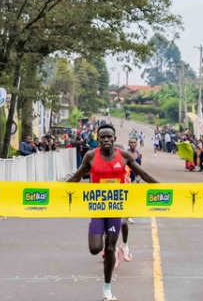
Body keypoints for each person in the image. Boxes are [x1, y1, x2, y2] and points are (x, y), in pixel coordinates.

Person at [66, 124, 159, 301]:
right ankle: (107, 241)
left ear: (114, 139)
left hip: (117, 208)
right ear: (98, 139)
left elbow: (144, 174)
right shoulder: (90, 156)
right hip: (98, 208)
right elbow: (77, 177)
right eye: (103, 137)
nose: (106, 140)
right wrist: (57, 191)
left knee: (109, 248)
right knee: (95, 249)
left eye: (109, 137)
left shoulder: (124, 155)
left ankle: (107, 288)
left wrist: (165, 189)